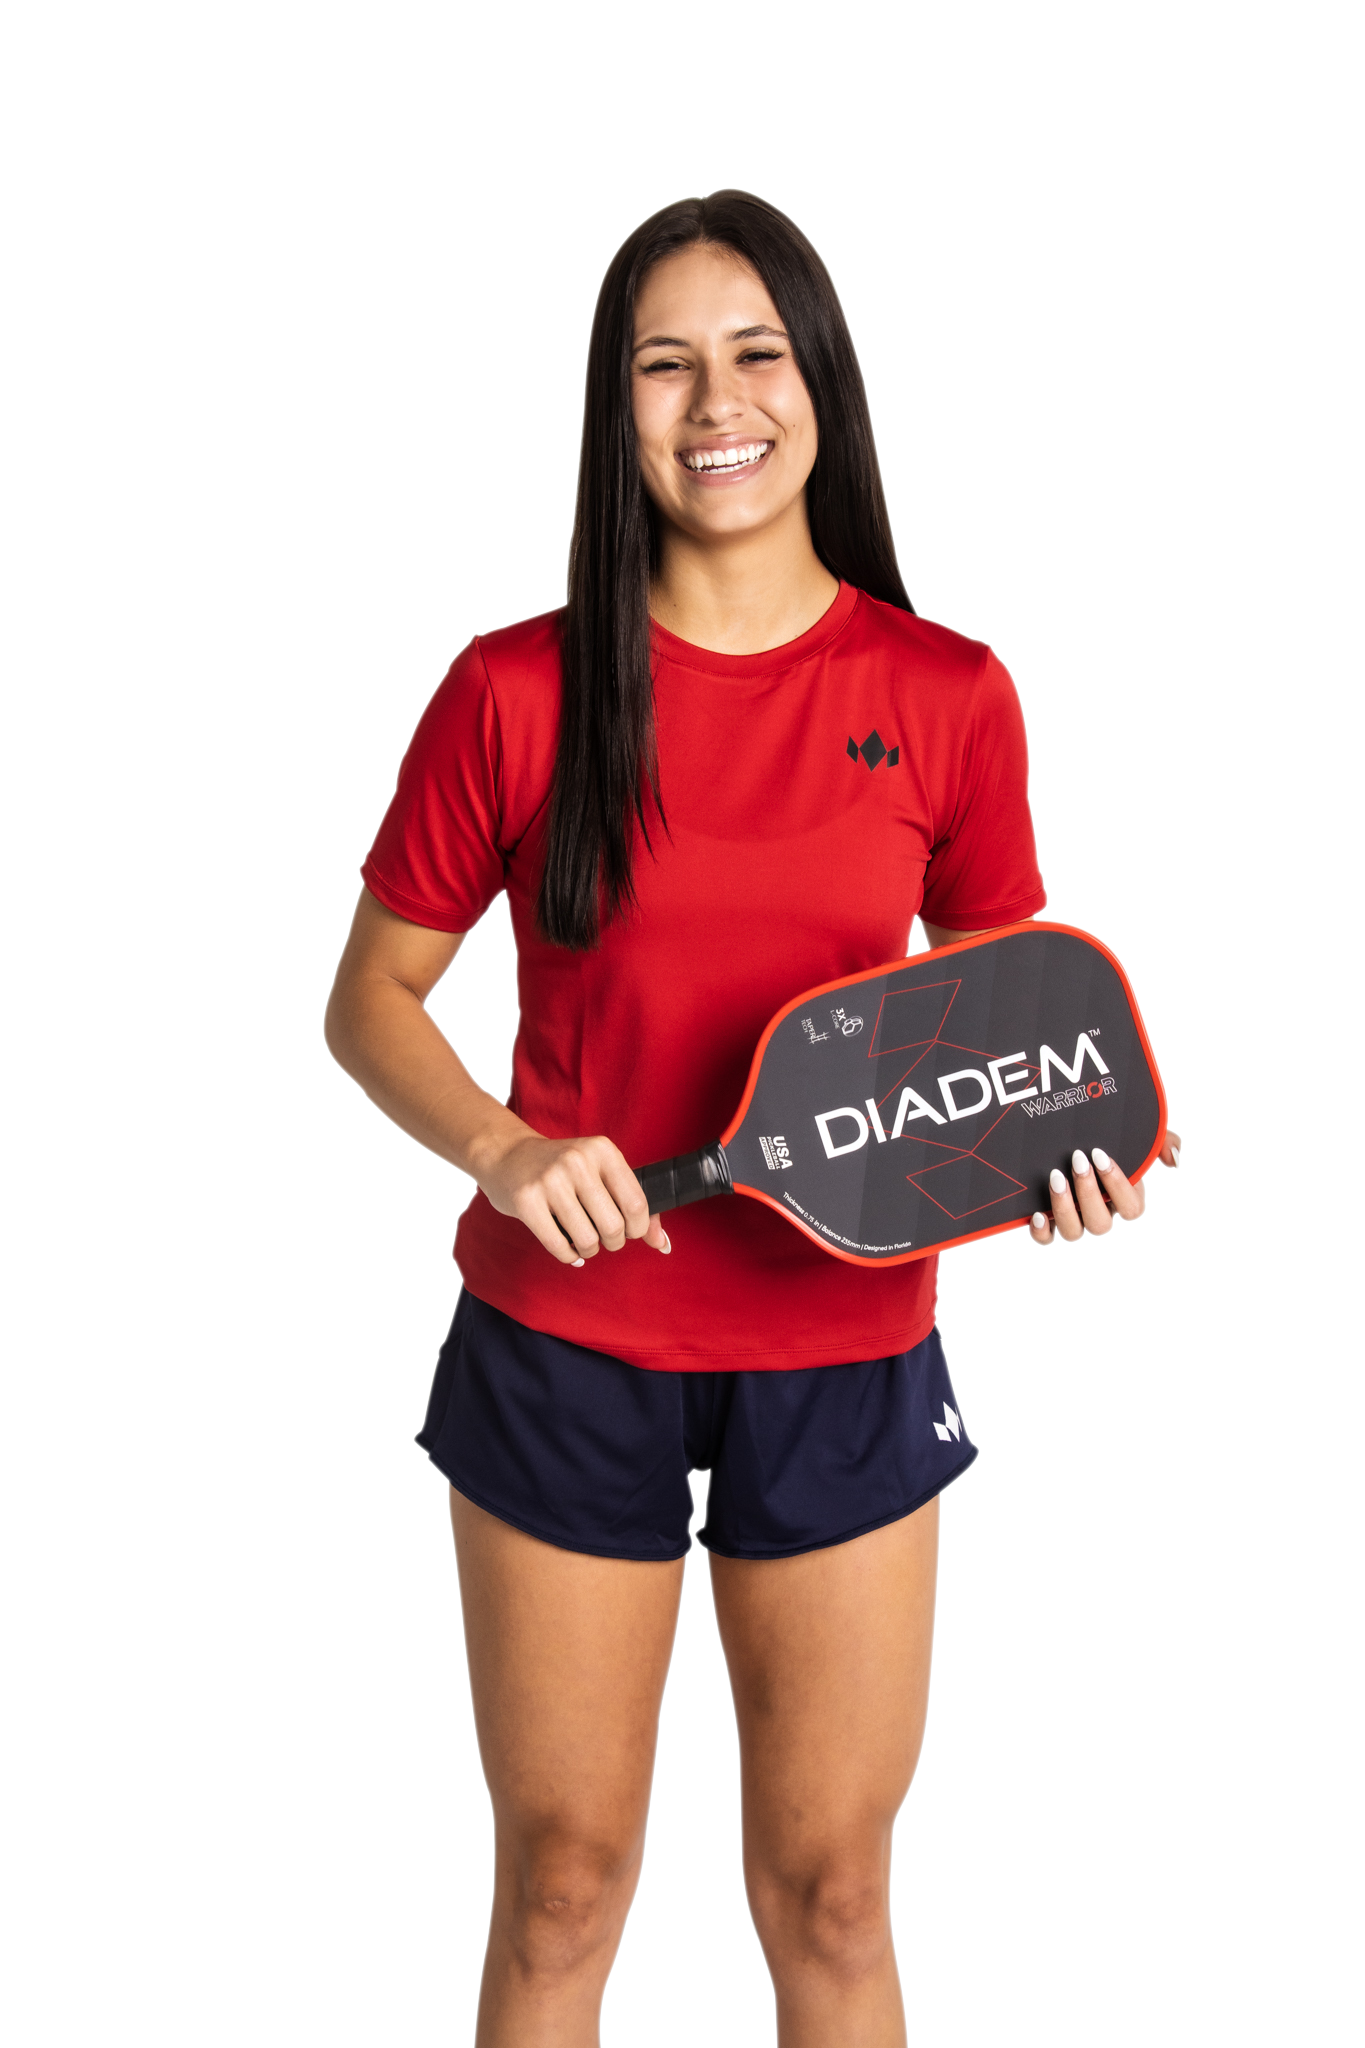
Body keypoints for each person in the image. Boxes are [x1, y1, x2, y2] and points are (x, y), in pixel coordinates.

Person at [323, 188, 1180, 2048]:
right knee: (563, 1887)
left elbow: (1015, 1031)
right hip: (565, 1347)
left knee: (837, 1896)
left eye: (756, 353)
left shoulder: (945, 694)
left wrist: (1065, 1178)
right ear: (612, 409)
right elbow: (369, 1001)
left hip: (846, 1345)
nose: (716, 401)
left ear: (820, 386)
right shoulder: (515, 691)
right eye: (664, 363)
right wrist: (503, 1147)